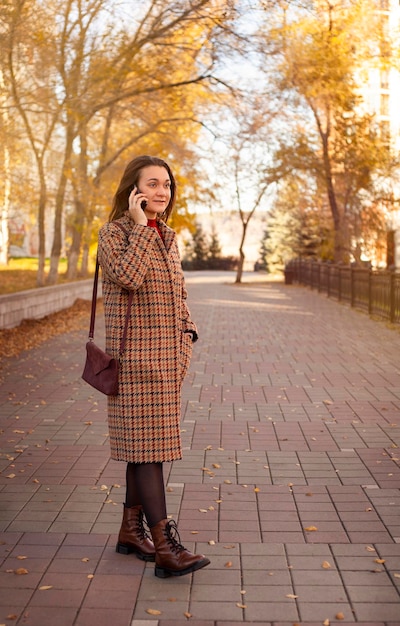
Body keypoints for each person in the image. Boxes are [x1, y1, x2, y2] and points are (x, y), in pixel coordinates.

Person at [97, 155, 210, 578]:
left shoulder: (168, 235)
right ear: (133, 190)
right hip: (135, 365)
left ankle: (131, 531)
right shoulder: (114, 234)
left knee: (143, 449)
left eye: (166, 184)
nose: (162, 191)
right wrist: (141, 228)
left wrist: (187, 338)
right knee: (151, 453)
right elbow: (128, 276)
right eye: (153, 184)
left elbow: (178, 293)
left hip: (167, 360)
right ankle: (165, 546)